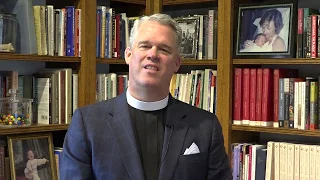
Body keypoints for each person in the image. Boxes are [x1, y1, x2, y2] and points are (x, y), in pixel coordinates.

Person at [60, 13, 231, 180]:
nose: (153, 54)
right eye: (144, 46)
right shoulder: (87, 123)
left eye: (164, 49)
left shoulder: (205, 126)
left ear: (177, 63)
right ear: (128, 55)